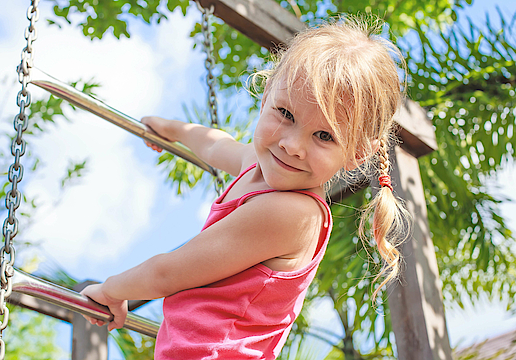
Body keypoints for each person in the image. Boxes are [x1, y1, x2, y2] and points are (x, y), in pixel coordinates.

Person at [80, 16, 409, 359]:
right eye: (285, 113)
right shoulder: (256, 162)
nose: (292, 145)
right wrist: (173, 130)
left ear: (357, 152)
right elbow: (213, 144)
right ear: (266, 95)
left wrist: (111, 290)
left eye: (324, 136)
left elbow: (168, 272)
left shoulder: (292, 214)